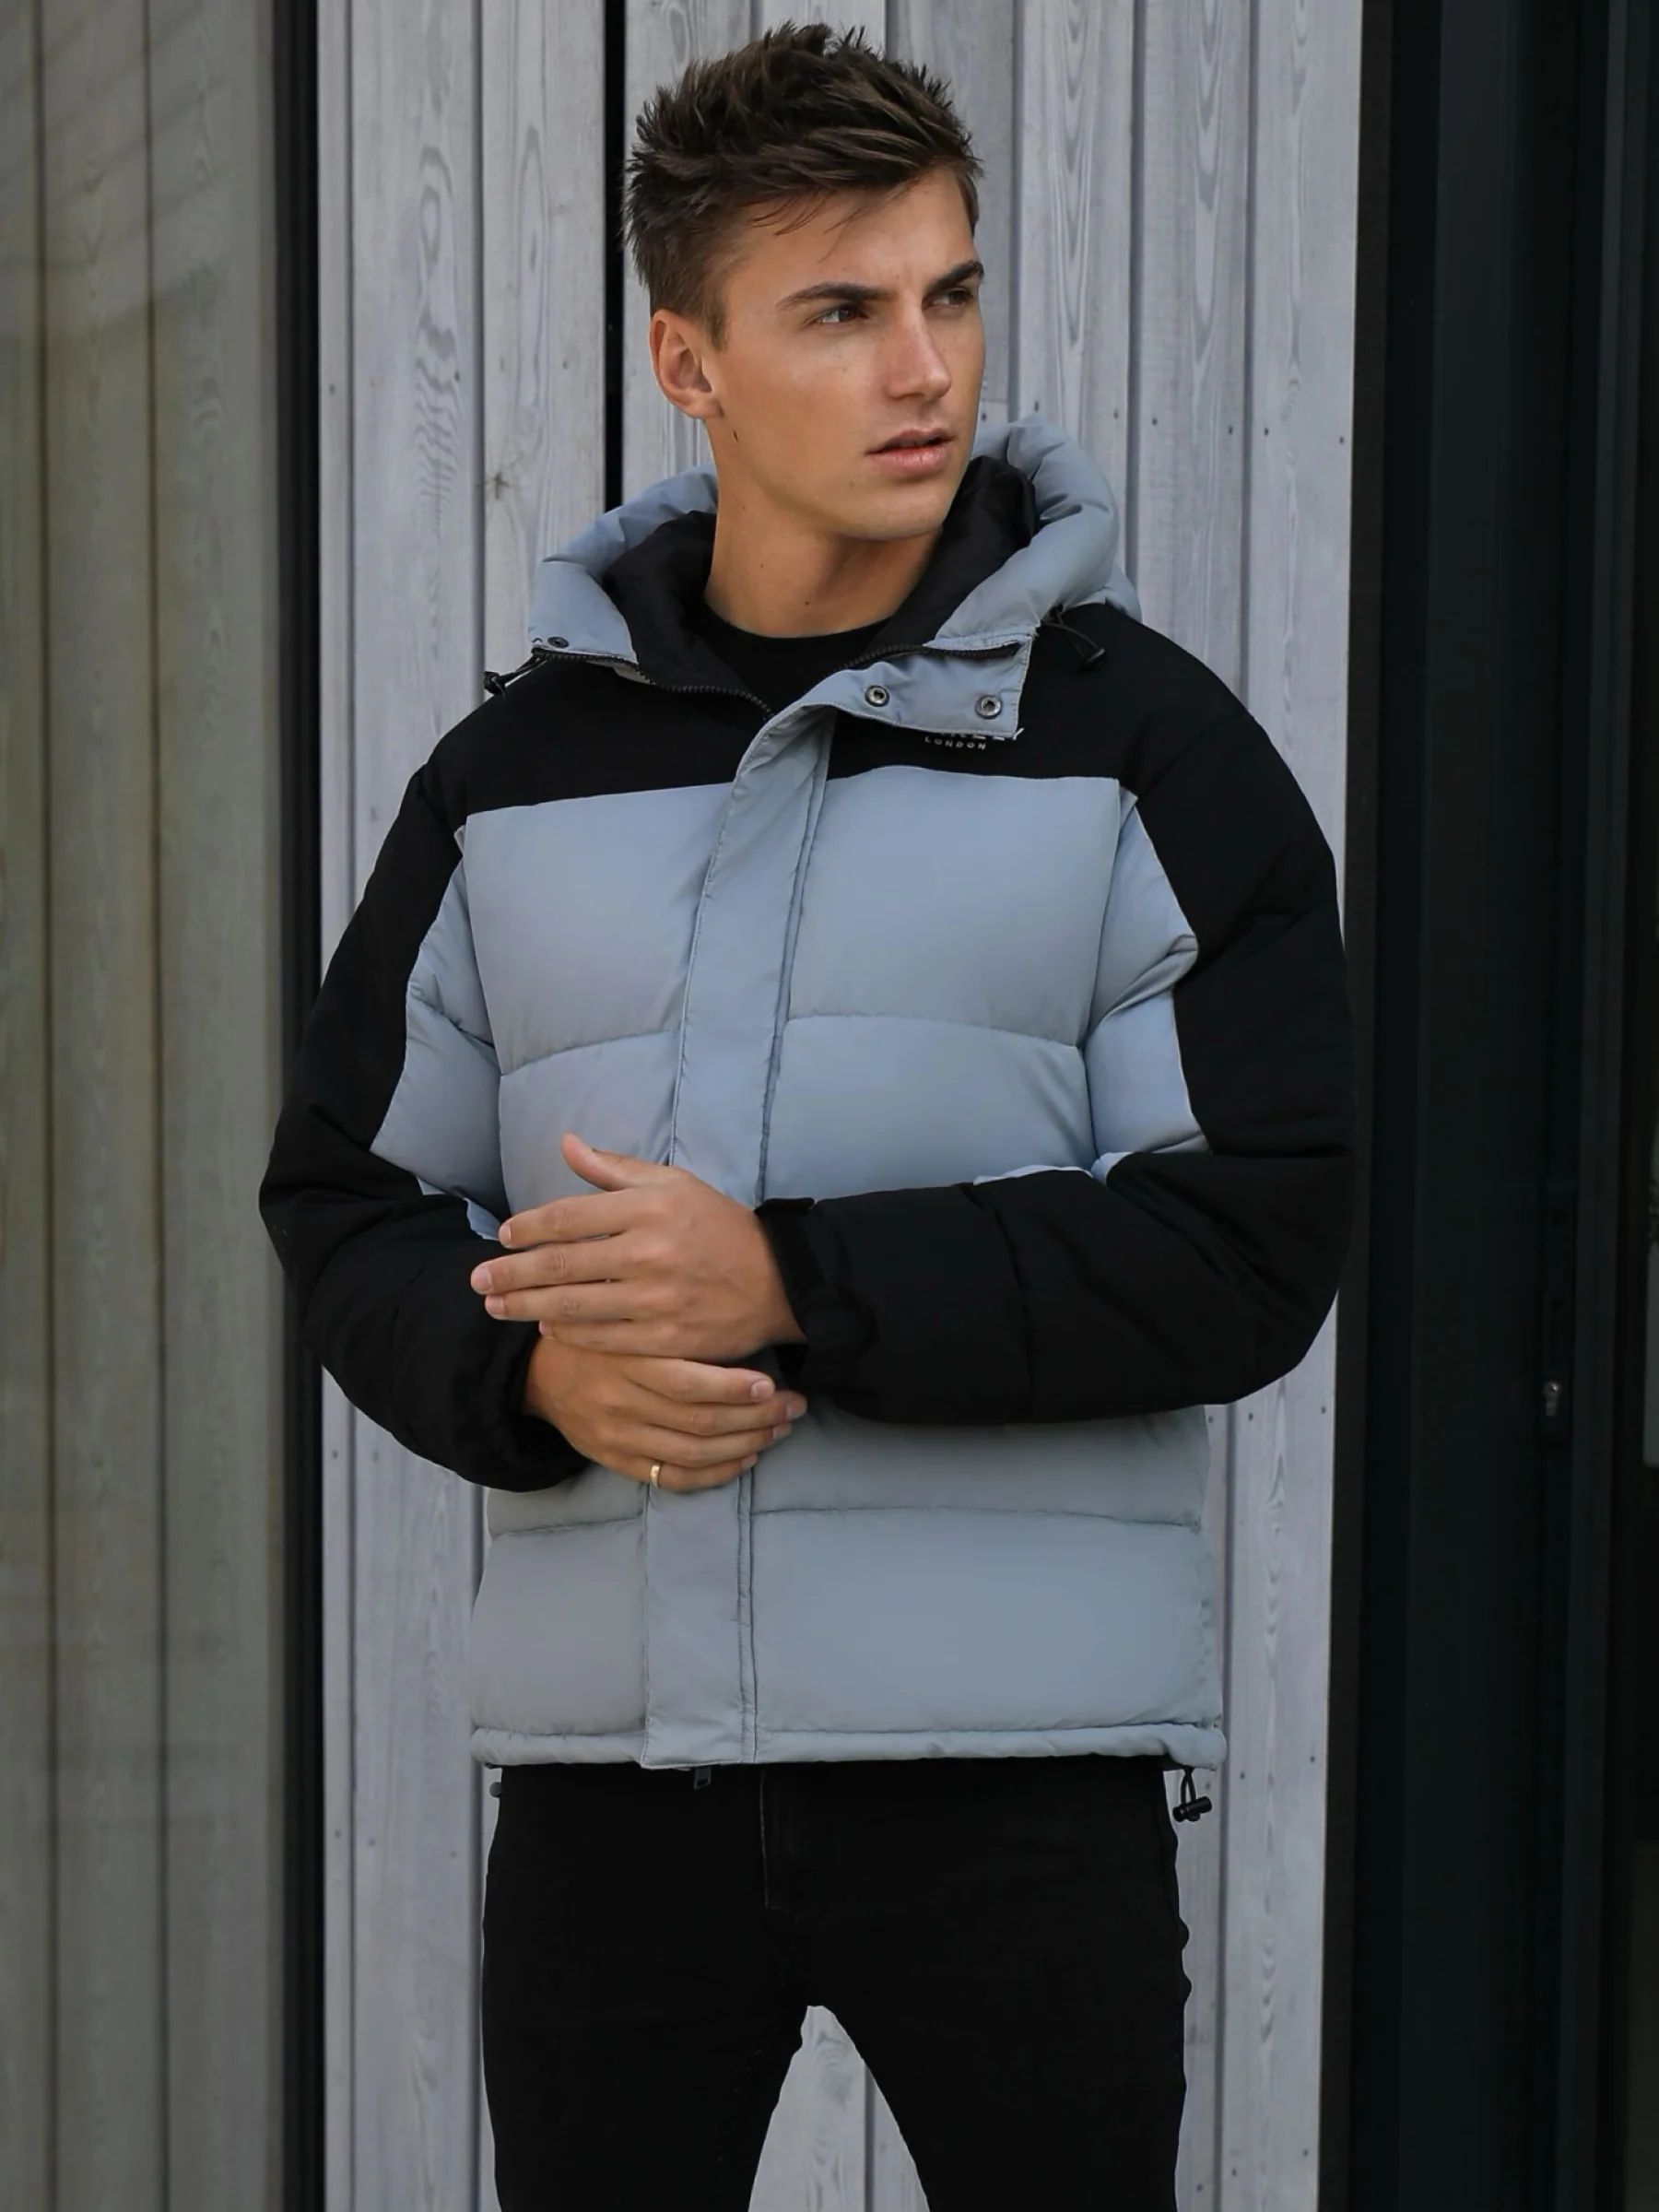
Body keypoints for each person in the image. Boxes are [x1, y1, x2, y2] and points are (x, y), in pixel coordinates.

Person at [259, 20, 1355, 2208]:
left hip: (1016, 1787)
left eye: (950, 295)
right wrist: (525, 1376)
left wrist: (784, 1280)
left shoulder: (1150, 753)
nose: (923, 370)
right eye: (841, 312)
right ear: (691, 360)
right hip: (615, 1799)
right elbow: (348, 1203)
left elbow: (1245, 1246)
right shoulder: (508, 782)